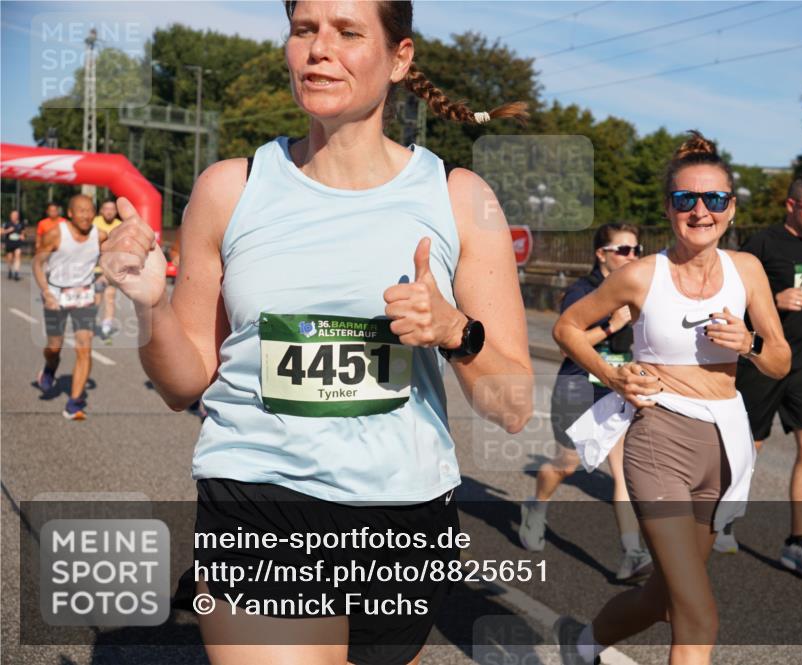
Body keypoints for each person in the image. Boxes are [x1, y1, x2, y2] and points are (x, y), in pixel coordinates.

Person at [99, 1, 532, 663]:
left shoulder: (459, 197)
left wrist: (455, 331)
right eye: (304, 30)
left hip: (404, 511)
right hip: (258, 494)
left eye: (348, 32)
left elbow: (513, 406)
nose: (319, 49)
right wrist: (151, 306)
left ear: (400, 59)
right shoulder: (230, 189)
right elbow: (182, 382)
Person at [551, 131, 790, 665]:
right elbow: (567, 328)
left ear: (731, 208)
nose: (701, 211)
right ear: (669, 208)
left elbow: (780, 361)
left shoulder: (747, 271)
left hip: (724, 443)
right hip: (660, 438)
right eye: (686, 199)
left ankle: (582, 645)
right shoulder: (641, 275)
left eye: (714, 199)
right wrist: (612, 376)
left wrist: (749, 344)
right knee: (698, 615)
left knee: (665, 598)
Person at [716, 173, 802, 578]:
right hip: (763, 358)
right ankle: (722, 519)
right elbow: (728, 298)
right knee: (749, 446)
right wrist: (774, 299)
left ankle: (797, 541)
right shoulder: (763, 244)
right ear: (791, 205)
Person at [519, 222, 654, 583]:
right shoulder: (582, 291)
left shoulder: (636, 290)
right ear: (601, 254)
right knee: (566, 465)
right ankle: (536, 506)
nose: (632, 256)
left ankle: (631, 552)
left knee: (624, 472)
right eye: (623, 250)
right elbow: (568, 345)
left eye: (636, 250)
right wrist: (612, 325)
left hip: (616, 389)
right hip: (578, 385)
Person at [33, 194, 107, 420]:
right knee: (54, 348)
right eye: (81, 210)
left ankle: (74, 402)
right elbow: (37, 263)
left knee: (84, 348)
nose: (86, 215)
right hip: (56, 294)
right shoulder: (56, 234)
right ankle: (49, 368)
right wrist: (46, 291)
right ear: (70, 213)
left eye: (90, 210)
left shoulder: (100, 235)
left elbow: (111, 261)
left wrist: (103, 281)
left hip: (84, 296)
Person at [92, 199, 123, 339]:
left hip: (111, 268)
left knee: (110, 296)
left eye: (112, 209)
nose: (109, 212)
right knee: (96, 298)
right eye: (106, 208)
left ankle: (106, 325)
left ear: (116, 211)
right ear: (101, 210)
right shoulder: (94, 223)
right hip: (94, 267)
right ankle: (91, 321)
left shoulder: (120, 225)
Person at [3, 209, 26, 280]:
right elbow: (1, 232)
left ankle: (16, 272)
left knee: (17, 256)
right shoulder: (7, 223)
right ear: (10, 216)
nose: (14, 216)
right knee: (10, 258)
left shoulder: (21, 224)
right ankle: (10, 270)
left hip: (18, 243)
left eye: (16, 215)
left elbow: (23, 232)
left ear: (18, 216)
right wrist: (8, 230)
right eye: (13, 215)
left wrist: (22, 236)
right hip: (9, 243)